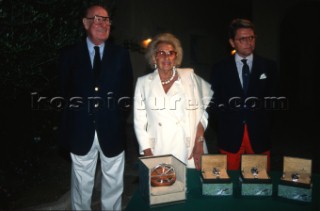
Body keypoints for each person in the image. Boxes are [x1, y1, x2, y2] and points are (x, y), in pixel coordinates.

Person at [58, 4, 133, 210]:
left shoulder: (120, 55)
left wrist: (117, 116)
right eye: (97, 19)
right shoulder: (69, 55)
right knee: (81, 184)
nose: (103, 24)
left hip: (112, 129)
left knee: (113, 183)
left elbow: (126, 92)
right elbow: (64, 91)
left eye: (107, 20)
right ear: (85, 23)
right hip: (81, 130)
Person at [133, 33, 213, 170]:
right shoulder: (143, 83)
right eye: (161, 53)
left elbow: (205, 110)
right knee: (165, 189)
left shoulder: (189, 77)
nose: (166, 57)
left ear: (176, 58)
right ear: (154, 57)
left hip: (188, 146)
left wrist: (199, 141)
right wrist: (147, 151)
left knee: (190, 188)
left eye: (170, 53)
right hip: (159, 148)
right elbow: (140, 122)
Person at [209, 18, 278, 171]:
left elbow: (273, 99)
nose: (248, 42)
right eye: (242, 39)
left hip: (259, 133)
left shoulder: (269, 66)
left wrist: (266, 122)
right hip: (230, 133)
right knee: (229, 179)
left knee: (258, 180)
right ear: (232, 42)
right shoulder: (220, 68)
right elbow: (214, 101)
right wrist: (222, 124)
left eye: (251, 37)